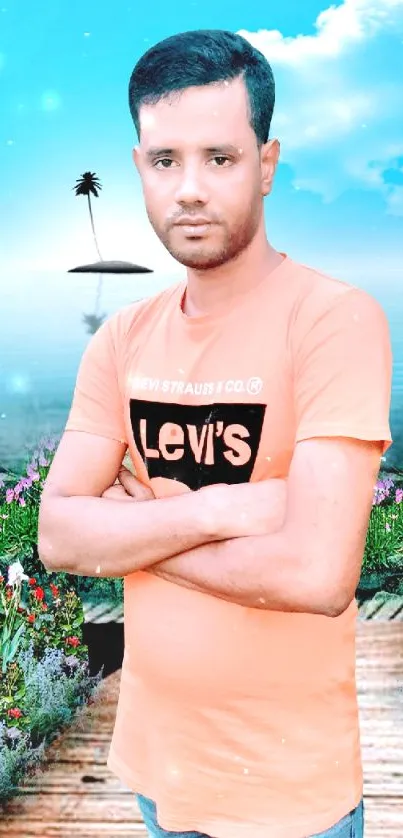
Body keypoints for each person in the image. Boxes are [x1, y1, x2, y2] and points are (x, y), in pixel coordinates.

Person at [38, 28, 393, 838]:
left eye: (219, 158)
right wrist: (215, 511)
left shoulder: (332, 321)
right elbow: (58, 533)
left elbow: (315, 573)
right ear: (139, 169)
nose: (189, 189)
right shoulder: (121, 339)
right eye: (165, 161)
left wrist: (138, 522)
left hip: (290, 796)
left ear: (266, 164)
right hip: (156, 774)